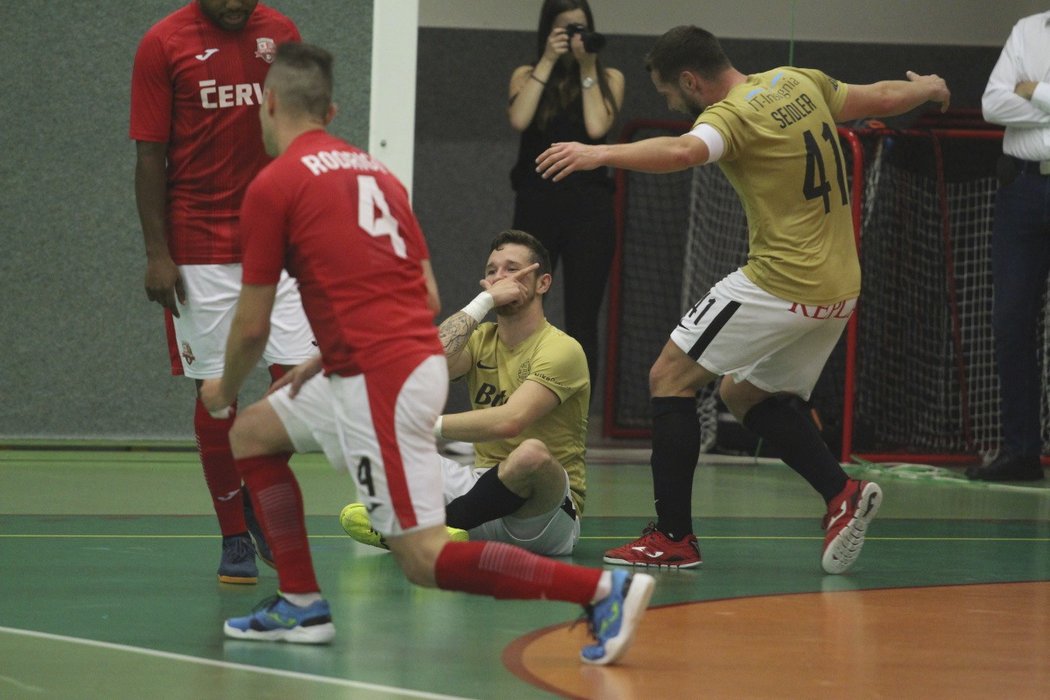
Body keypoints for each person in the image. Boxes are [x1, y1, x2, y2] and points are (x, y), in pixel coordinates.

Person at [199, 42, 654, 664]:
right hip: (383, 361)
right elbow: (426, 291)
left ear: (268, 102)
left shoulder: (275, 183)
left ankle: (602, 589)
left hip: (377, 377)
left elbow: (251, 329)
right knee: (253, 435)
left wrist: (222, 389)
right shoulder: (379, 176)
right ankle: (301, 603)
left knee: (424, 559)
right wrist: (328, 354)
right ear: (330, 109)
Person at [537, 25, 951, 573]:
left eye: (667, 94)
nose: (672, 103)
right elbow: (881, 95)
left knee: (669, 377)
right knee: (744, 393)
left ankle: (673, 538)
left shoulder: (730, 116)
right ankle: (840, 493)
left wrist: (598, 153)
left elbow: (685, 151)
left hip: (781, 280)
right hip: (840, 285)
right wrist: (929, 87)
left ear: (690, 80)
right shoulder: (799, 82)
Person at [130, 0, 314, 585]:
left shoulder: (280, 31)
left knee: (298, 384)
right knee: (218, 393)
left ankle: (257, 484)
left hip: (275, 234)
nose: (235, 4)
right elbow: (148, 155)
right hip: (199, 244)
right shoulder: (163, 43)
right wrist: (158, 253)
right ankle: (235, 532)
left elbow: (299, 133)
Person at [340, 230, 589, 558]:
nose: (499, 277)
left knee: (532, 455)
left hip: (542, 517)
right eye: (491, 270)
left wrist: (427, 425)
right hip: (480, 495)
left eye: (512, 269)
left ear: (543, 283)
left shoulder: (561, 348)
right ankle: (439, 528)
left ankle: (423, 530)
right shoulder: (481, 339)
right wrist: (483, 303)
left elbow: (510, 421)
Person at [507, 0, 625, 394]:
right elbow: (519, 119)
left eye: (581, 28)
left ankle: (573, 411)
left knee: (582, 316)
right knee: (518, 304)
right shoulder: (526, 74)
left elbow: (596, 127)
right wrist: (546, 60)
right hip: (537, 202)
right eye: (566, 30)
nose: (575, 37)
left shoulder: (610, 76)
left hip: (588, 208)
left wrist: (587, 66)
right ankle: (510, 400)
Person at [968, 12, 1049, 482]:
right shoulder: (1027, 29)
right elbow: (992, 105)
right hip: (1021, 188)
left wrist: (1031, 90)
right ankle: (1021, 452)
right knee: (1010, 322)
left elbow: (1014, 96)